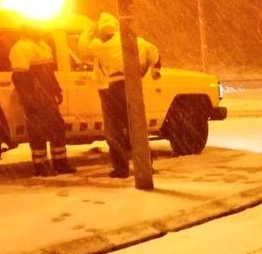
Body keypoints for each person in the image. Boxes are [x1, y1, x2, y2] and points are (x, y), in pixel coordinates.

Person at [78, 12, 160, 178]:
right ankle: (145, 166)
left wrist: (89, 29)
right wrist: (155, 69)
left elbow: (82, 47)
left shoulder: (101, 45)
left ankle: (121, 169)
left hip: (112, 89)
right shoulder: (134, 41)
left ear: (103, 32)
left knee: (114, 131)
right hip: (132, 86)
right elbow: (153, 51)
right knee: (135, 126)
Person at [9, 27, 73, 176]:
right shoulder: (21, 48)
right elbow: (19, 77)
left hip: (47, 95)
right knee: (38, 131)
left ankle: (60, 164)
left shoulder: (43, 46)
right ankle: (41, 166)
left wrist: (56, 90)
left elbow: (49, 73)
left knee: (57, 127)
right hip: (35, 96)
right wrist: (28, 98)